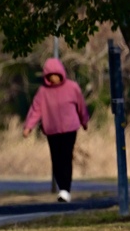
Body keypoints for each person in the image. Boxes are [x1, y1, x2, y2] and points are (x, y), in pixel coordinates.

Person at [22, 58, 90, 203]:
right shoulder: (43, 92)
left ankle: (65, 190)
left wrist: (84, 121)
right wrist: (28, 127)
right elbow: (36, 110)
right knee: (56, 160)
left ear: (61, 74)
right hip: (52, 130)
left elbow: (81, 106)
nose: (54, 78)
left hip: (70, 128)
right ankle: (62, 187)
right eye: (50, 75)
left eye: (56, 75)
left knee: (65, 157)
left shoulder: (72, 87)